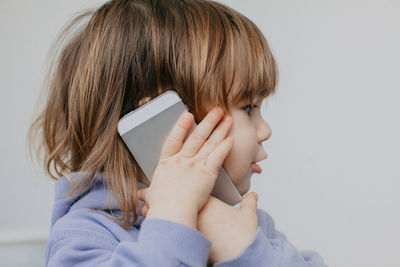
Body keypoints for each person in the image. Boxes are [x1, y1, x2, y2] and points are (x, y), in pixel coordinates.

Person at [28, 0, 328, 266]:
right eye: (248, 108)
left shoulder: (245, 226)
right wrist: (174, 214)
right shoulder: (85, 237)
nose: (265, 130)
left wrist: (246, 251)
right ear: (163, 122)